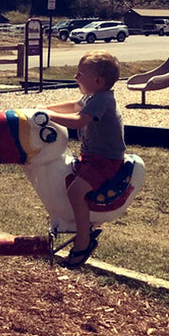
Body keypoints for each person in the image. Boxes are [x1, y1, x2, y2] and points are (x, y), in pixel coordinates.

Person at [40, 50, 126, 269]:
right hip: (92, 156)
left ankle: (83, 241)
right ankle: (74, 224)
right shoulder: (92, 96)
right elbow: (74, 106)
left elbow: (78, 120)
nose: (75, 78)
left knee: (75, 192)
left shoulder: (102, 99)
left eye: (80, 74)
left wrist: (47, 116)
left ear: (97, 81)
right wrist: (42, 109)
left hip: (105, 160)